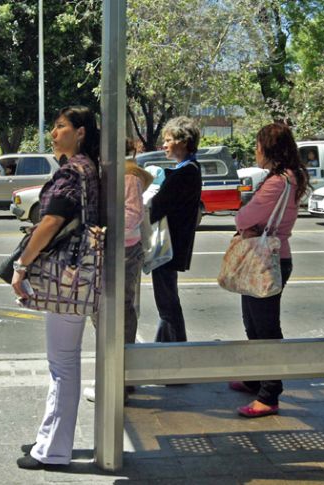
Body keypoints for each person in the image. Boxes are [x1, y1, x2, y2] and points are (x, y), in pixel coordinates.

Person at [10, 106, 100, 470]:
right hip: (78, 275)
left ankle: (54, 449)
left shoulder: (72, 170)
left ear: (80, 132)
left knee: (62, 364)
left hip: (67, 276)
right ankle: (51, 440)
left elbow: (50, 222)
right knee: (65, 362)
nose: (54, 133)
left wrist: (21, 265)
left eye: (61, 127)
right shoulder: (89, 168)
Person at [228, 123, 309, 418]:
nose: (255, 150)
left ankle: (269, 393)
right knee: (253, 322)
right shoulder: (290, 177)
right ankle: (256, 377)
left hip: (265, 259)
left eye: (258, 145)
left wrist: (244, 220)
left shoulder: (277, 181)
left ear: (268, 149)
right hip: (271, 256)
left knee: (265, 327)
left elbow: (245, 217)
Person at [83, 139, 153, 403]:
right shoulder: (113, 174)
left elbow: (132, 214)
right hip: (113, 249)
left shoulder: (128, 175)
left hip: (121, 250)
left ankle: (119, 379)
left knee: (115, 311)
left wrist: (103, 234)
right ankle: (120, 375)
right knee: (106, 310)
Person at [149, 116, 202, 343]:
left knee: (167, 304)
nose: (165, 145)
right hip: (169, 244)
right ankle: (163, 350)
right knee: (167, 300)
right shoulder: (184, 170)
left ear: (183, 141)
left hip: (169, 246)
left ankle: (176, 353)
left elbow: (158, 206)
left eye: (169, 140)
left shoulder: (186, 172)